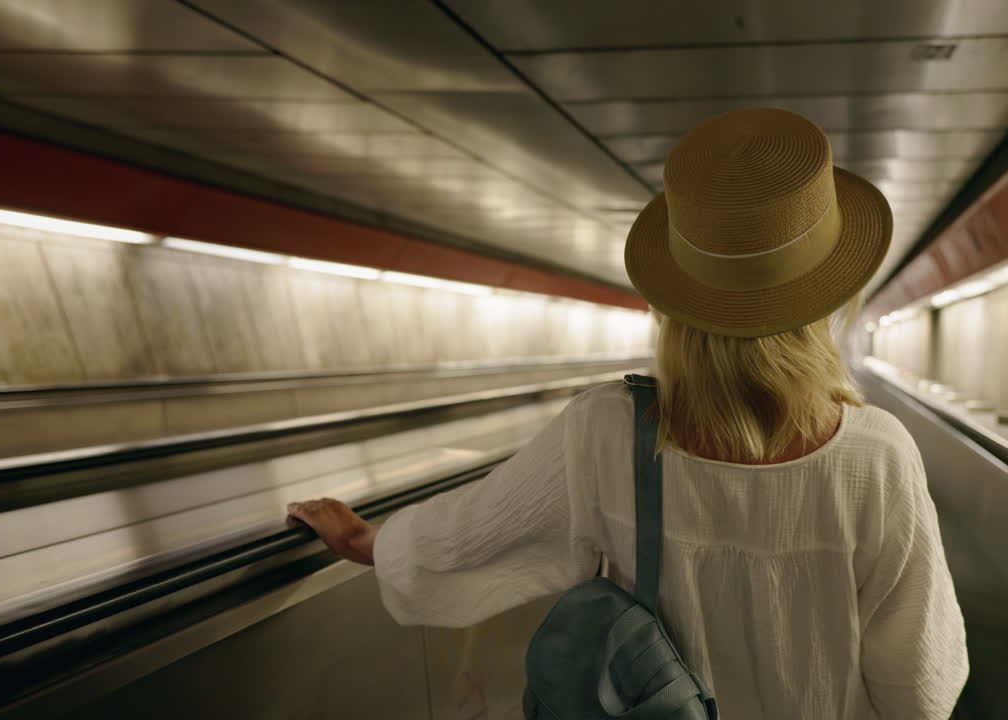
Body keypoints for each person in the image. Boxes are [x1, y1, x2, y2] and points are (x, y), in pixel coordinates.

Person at [288, 108, 968, 718]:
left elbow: (474, 535)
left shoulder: (608, 429)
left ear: (673, 303)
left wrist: (368, 542)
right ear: (828, 298)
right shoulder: (878, 456)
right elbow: (915, 676)